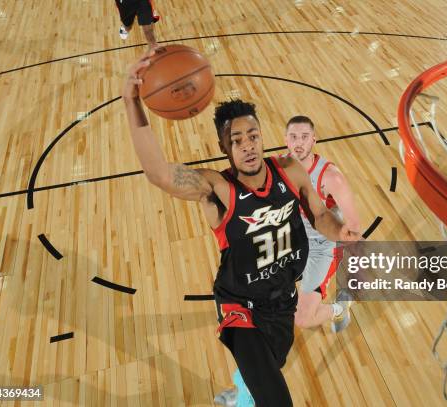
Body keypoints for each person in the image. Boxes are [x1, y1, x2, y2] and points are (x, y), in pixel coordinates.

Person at [122, 52, 360, 407]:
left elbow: (319, 214)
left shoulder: (289, 170)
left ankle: (240, 393)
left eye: (253, 135)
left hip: (281, 301)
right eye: (237, 140)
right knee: (276, 399)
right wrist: (132, 102)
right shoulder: (216, 189)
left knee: (269, 367)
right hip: (239, 306)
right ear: (224, 148)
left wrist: (339, 231)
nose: (248, 145)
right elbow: (158, 173)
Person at [285, 116, 360, 333]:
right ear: (286, 140)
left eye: (304, 137)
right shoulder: (279, 166)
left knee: (302, 320)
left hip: (321, 248)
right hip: (293, 241)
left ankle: (340, 308)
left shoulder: (331, 178)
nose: (299, 143)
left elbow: (354, 225)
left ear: (314, 140)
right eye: (294, 137)